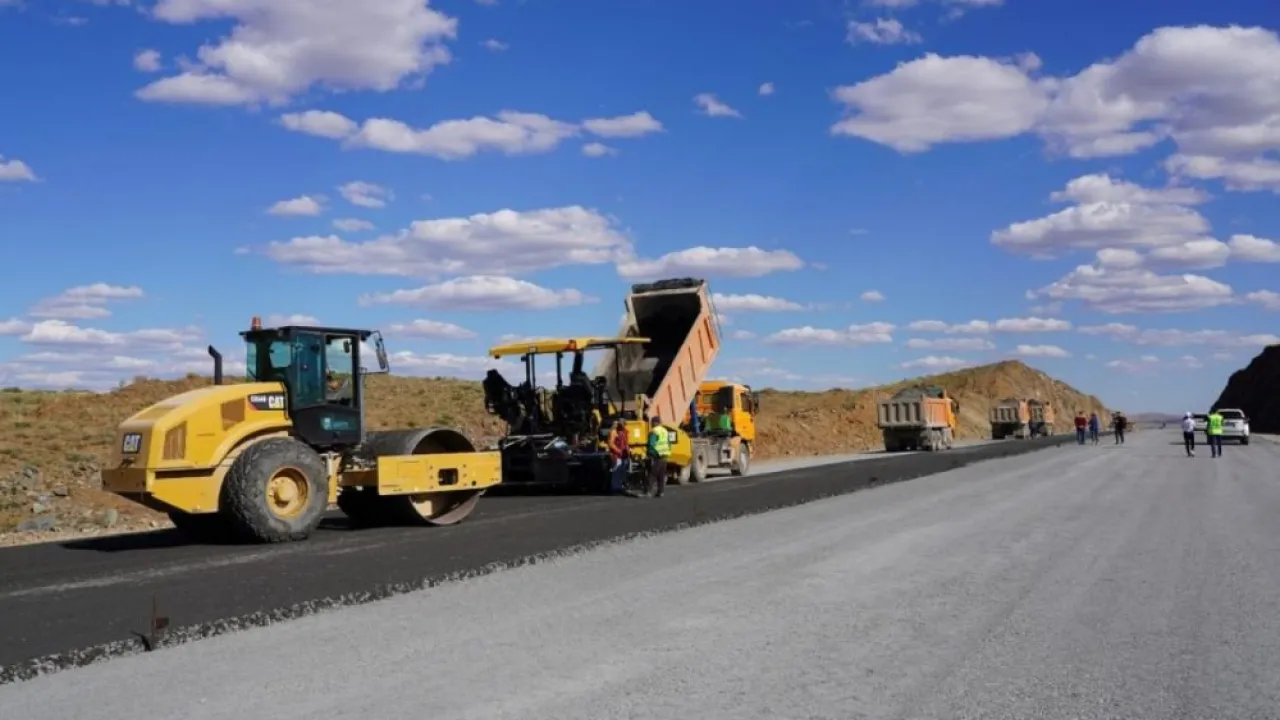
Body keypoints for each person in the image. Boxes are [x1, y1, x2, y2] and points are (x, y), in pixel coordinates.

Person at [644, 416, 671, 498]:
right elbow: (669, 444)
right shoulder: (665, 431)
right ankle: (661, 492)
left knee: (652, 474)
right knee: (661, 475)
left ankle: (648, 492)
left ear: (655, 423)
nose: (651, 424)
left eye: (652, 422)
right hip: (664, 455)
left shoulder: (654, 431)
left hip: (657, 455)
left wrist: (650, 454)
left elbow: (651, 444)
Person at [607, 419, 629, 493]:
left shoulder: (624, 432)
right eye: (623, 424)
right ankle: (615, 488)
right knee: (616, 471)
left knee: (621, 471)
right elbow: (611, 443)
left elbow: (625, 443)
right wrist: (618, 450)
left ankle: (619, 486)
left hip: (623, 454)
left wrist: (628, 451)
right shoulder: (613, 432)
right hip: (616, 454)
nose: (624, 426)